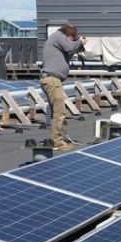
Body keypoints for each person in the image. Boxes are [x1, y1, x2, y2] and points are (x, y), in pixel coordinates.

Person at [38, 22, 86, 150]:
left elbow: (70, 51)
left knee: (56, 112)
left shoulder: (60, 42)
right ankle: (58, 143)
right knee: (59, 112)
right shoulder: (58, 36)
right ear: (68, 34)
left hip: (53, 79)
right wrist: (79, 42)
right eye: (73, 38)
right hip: (52, 79)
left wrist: (79, 46)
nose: (73, 40)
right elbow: (70, 47)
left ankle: (56, 139)